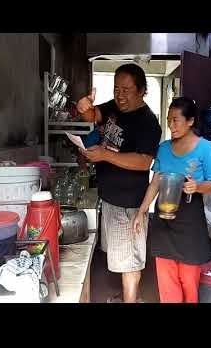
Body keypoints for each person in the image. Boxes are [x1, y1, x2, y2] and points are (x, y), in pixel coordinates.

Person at [76, 63, 162, 303]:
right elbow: (92, 116)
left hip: (129, 202)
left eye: (126, 90)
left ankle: (130, 300)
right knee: (122, 255)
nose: (120, 95)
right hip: (111, 197)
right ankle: (127, 297)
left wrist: (104, 155)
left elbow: (144, 162)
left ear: (142, 90)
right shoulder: (115, 107)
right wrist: (84, 108)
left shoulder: (147, 122)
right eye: (116, 89)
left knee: (130, 259)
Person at [133, 97, 211, 303]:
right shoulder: (163, 148)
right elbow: (155, 183)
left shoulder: (206, 149)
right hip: (164, 220)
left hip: (190, 222)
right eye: (168, 120)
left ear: (190, 121)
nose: (170, 126)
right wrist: (141, 212)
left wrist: (197, 186)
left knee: (189, 282)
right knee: (167, 283)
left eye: (175, 120)